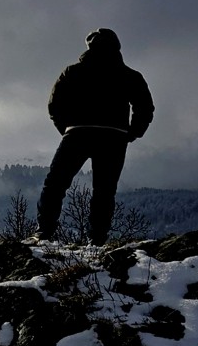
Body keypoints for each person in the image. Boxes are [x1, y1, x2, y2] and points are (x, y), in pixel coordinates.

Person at [36, 28, 154, 243]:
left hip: (77, 134)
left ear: (89, 46)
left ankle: (43, 232)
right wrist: (132, 133)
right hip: (113, 137)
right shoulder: (130, 75)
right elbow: (145, 108)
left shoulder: (72, 72)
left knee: (55, 184)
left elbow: (55, 105)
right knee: (104, 190)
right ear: (117, 47)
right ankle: (97, 238)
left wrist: (67, 129)